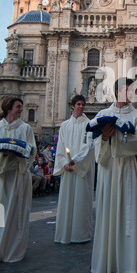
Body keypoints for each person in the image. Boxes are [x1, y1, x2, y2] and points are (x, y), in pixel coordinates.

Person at [90, 78, 137, 273]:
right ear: (117, 92)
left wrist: (123, 136)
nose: (131, 93)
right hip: (108, 169)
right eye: (127, 89)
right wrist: (105, 138)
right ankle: (107, 262)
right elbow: (95, 142)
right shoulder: (103, 115)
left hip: (127, 169)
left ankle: (131, 265)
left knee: (128, 213)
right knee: (107, 212)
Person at [53, 95, 95, 244]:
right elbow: (61, 146)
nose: (81, 107)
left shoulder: (90, 124)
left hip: (81, 169)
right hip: (68, 169)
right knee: (66, 200)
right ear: (72, 106)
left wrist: (75, 161)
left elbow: (89, 147)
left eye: (83, 104)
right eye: (78, 104)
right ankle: (65, 233)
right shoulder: (65, 125)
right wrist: (64, 162)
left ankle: (80, 234)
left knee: (82, 201)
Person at [0, 97, 36, 262]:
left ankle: (12, 249)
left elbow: (31, 150)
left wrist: (18, 152)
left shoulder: (25, 128)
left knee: (16, 213)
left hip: (18, 175)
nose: (21, 110)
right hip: (2, 176)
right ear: (9, 108)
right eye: (18, 107)